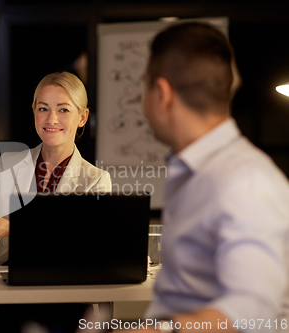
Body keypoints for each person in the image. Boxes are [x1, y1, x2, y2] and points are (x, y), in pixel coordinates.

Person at [117, 22, 289, 332]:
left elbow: (253, 310)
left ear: (163, 94)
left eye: (144, 88)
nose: (142, 106)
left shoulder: (245, 181)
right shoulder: (193, 173)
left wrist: (159, 330)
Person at [0, 72, 112, 333]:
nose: (51, 119)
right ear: (34, 112)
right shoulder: (7, 164)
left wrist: (13, 228)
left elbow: (82, 249)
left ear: (82, 117)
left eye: (63, 110)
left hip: (63, 298)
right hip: (4, 294)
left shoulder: (95, 180)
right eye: (43, 108)